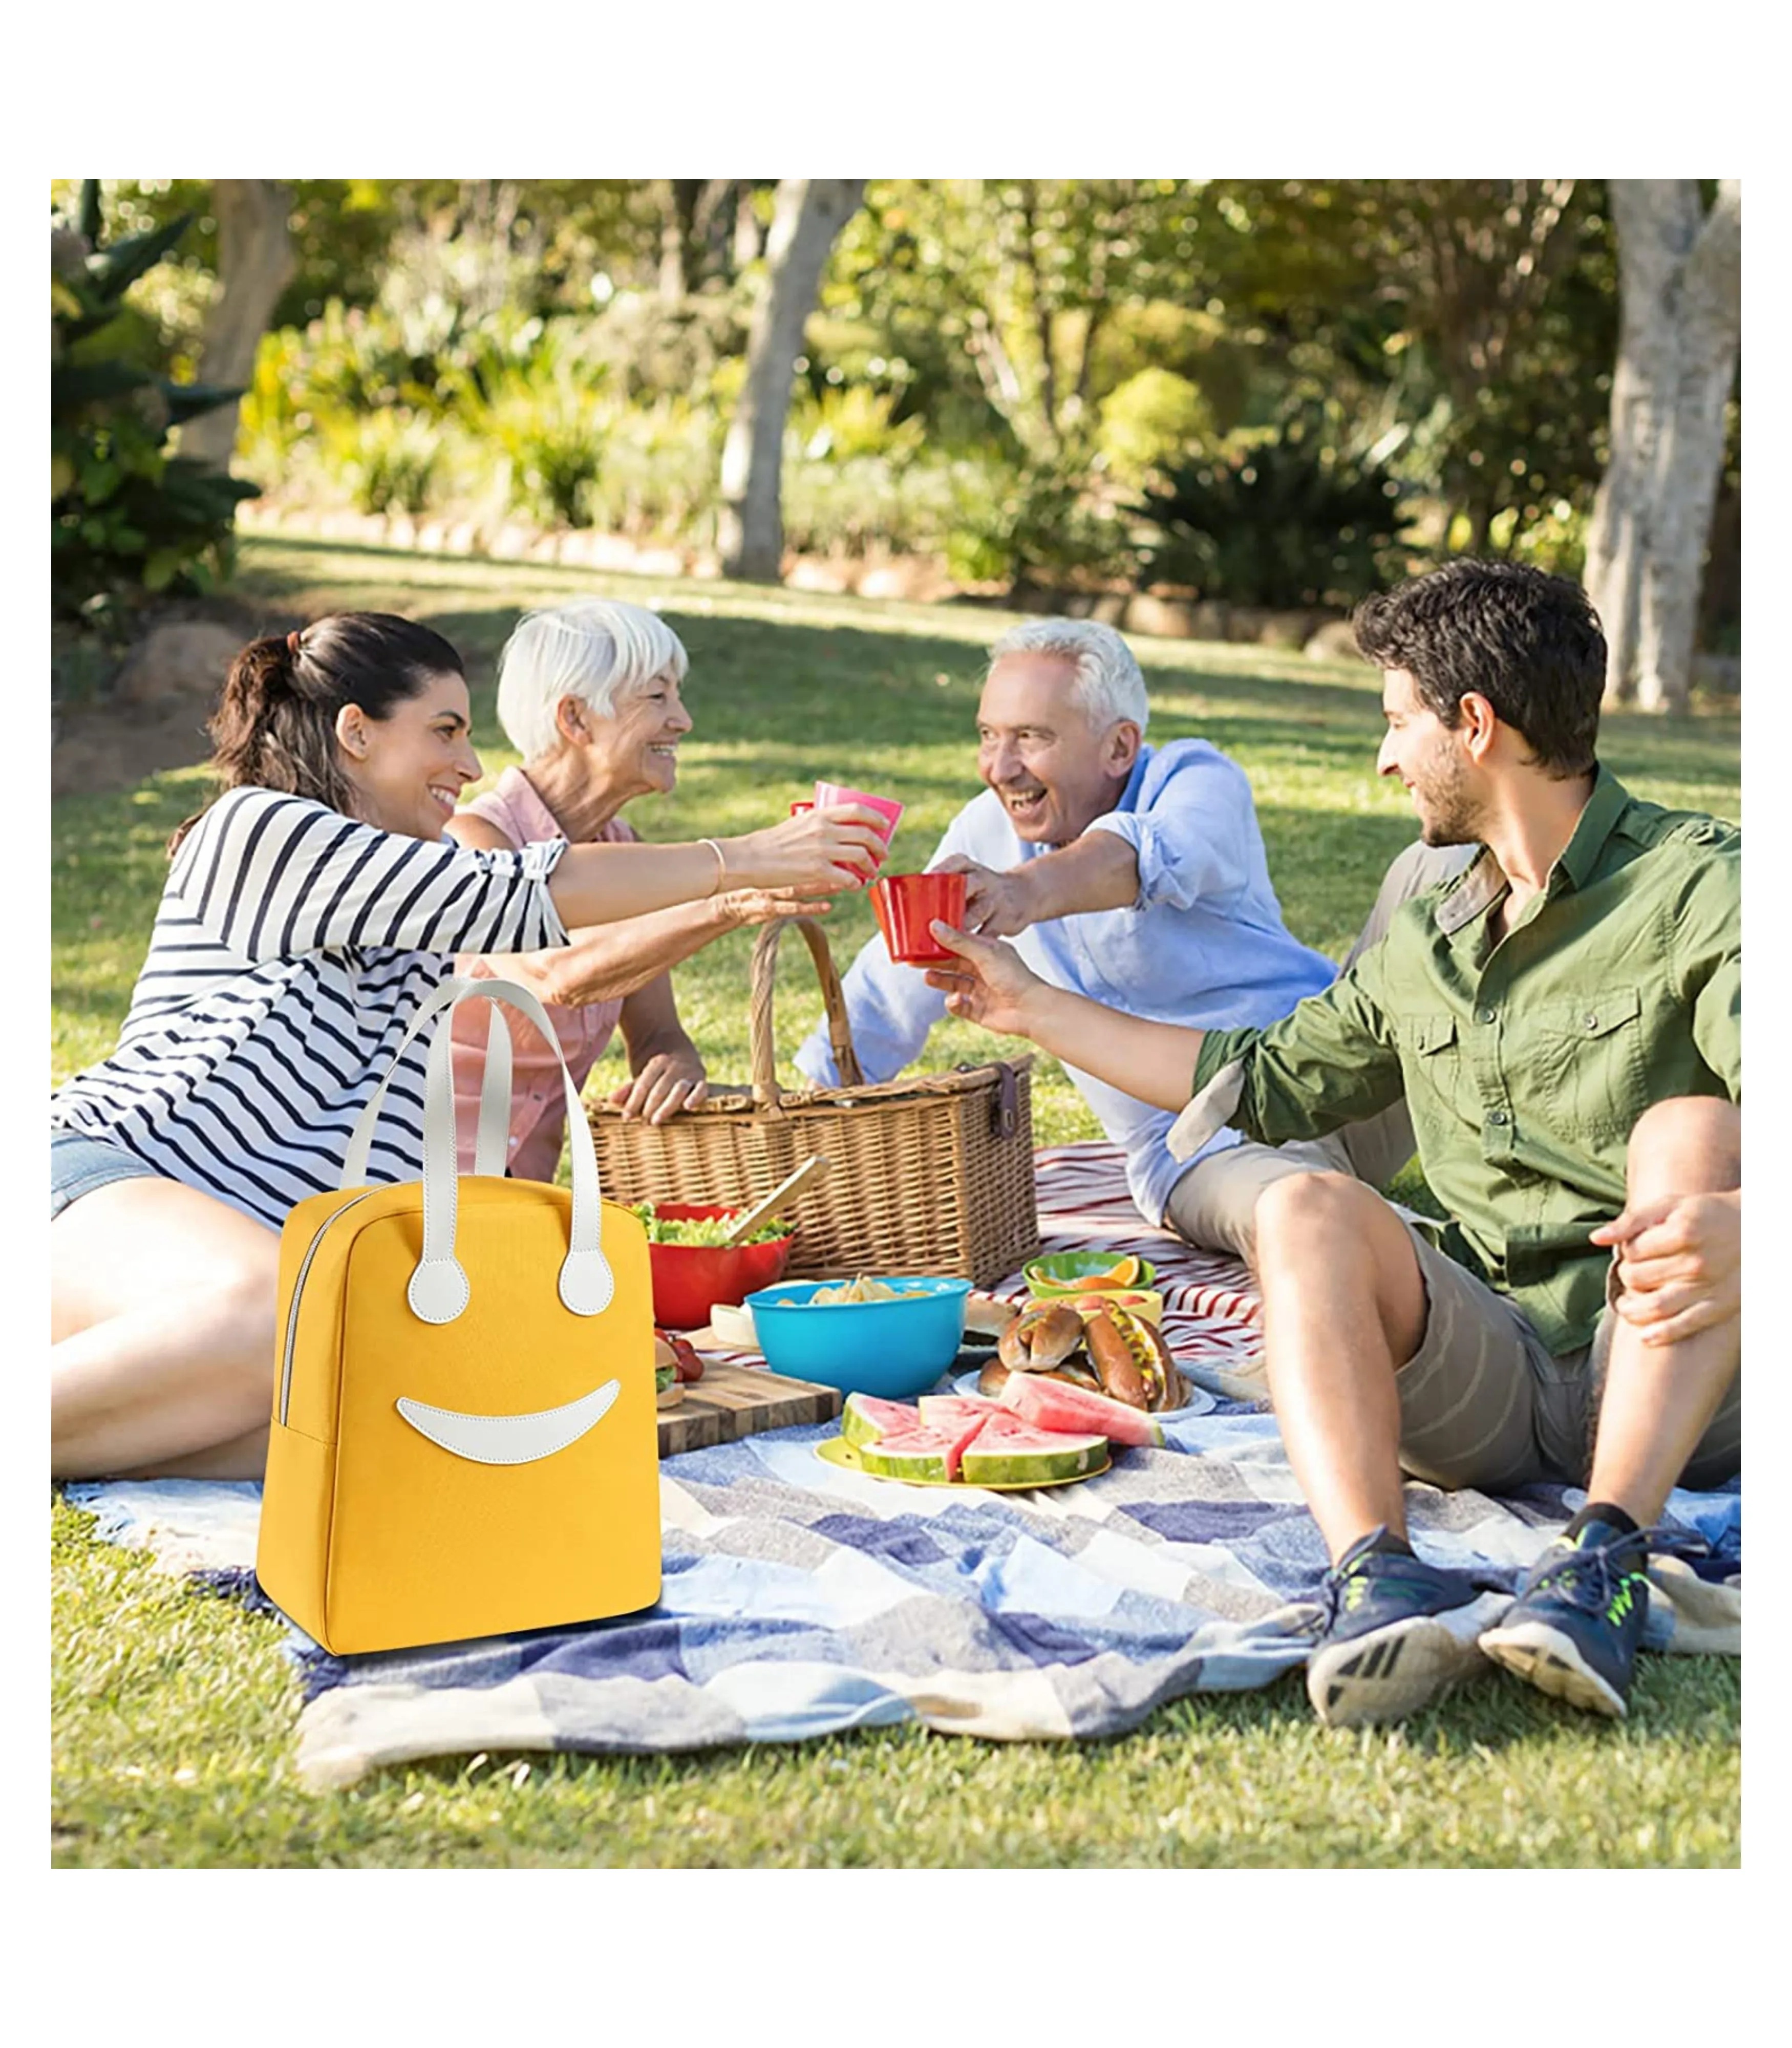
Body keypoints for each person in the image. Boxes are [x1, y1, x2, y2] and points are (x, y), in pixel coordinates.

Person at [924, 562, 1740, 1731]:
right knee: (1301, 1204)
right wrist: (1024, 1005)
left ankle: (1601, 1562)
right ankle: (1378, 1577)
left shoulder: (1702, 886)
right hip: (1495, 1364)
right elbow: (1255, 1079)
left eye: (1398, 719)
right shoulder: (1435, 919)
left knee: (1694, 1129)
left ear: (1474, 724)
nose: (1384, 754)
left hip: (1674, 1363)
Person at [50, 612, 887, 1482]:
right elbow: (519, 894)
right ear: (357, 733)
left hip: (222, 1293)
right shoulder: (260, 831)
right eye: (445, 732)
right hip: (96, 1188)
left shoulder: (411, 929)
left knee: (408, 1427)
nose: (471, 764)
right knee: (287, 1310)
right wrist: (746, 858)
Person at [793, 617, 1339, 1236]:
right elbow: (894, 980)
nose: (999, 767)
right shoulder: (984, 831)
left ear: (1118, 748)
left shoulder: (1194, 782)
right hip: (1200, 1145)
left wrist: (1020, 891)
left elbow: (1138, 857)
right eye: (987, 735)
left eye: (1030, 737)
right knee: (1303, 1217)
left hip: (1331, 1066)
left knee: (1432, 866)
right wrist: (804, 1108)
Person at [444, 600, 835, 1181]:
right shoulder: (473, 841)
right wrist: (731, 897)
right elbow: (560, 972)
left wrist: (674, 1064)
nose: (683, 720)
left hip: (519, 1205)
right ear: (575, 719)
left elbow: (657, 1033)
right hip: (410, 1193)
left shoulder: (624, 846)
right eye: (657, 698)